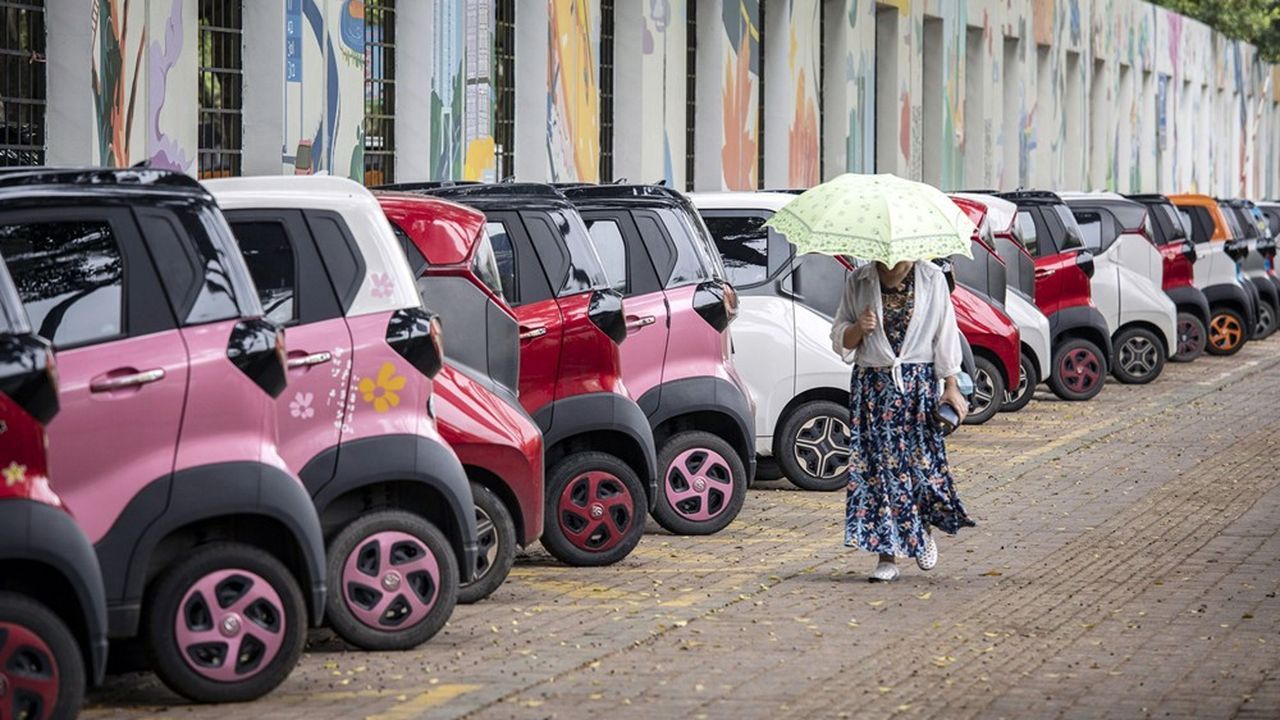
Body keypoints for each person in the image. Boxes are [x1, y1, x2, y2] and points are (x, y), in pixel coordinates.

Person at [830, 259, 975, 582]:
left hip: (918, 386)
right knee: (879, 472)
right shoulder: (859, 279)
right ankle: (887, 555)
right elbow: (840, 336)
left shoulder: (931, 278)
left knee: (920, 466)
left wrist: (951, 385)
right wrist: (858, 329)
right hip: (873, 388)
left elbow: (945, 332)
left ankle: (921, 530)